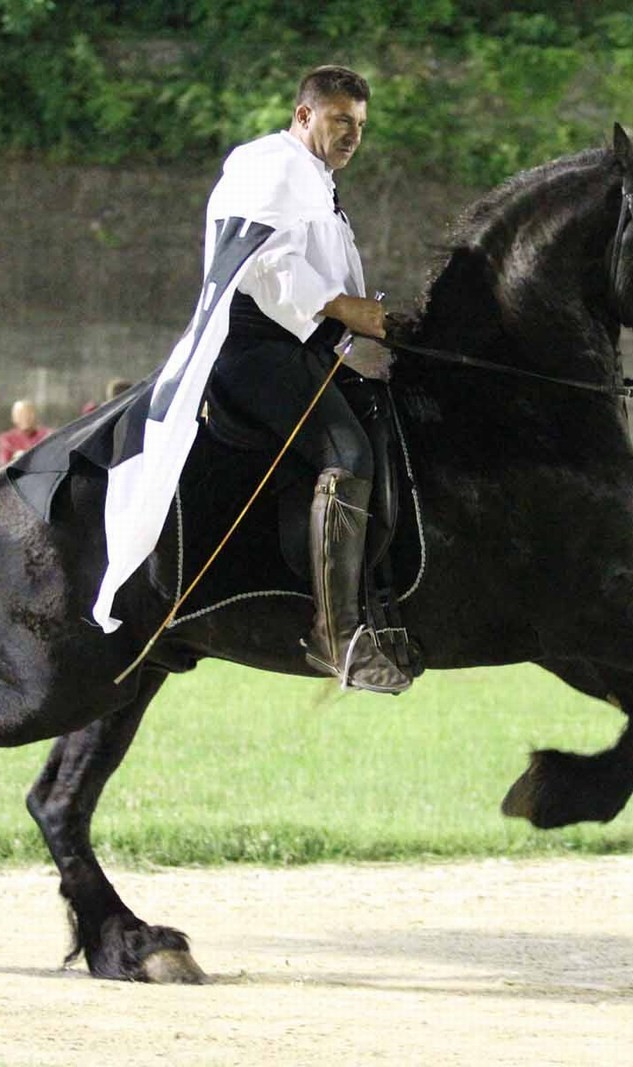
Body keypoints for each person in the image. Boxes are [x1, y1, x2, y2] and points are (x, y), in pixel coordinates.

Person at [204, 65, 410, 694]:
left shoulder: (319, 183)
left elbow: (332, 287)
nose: (352, 135)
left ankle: (381, 609)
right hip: (252, 347)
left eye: (361, 126)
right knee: (344, 452)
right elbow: (261, 256)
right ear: (304, 116)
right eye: (341, 119)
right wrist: (344, 308)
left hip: (302, 349)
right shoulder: (268, 162)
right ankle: (336, 637)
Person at [0, 399, 50, 465]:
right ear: (14, 418)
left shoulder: (48, 435)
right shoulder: (7, 439)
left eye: (29, 414)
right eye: (21, 414)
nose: (25, 418)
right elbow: (4, 465)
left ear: (35, 415)